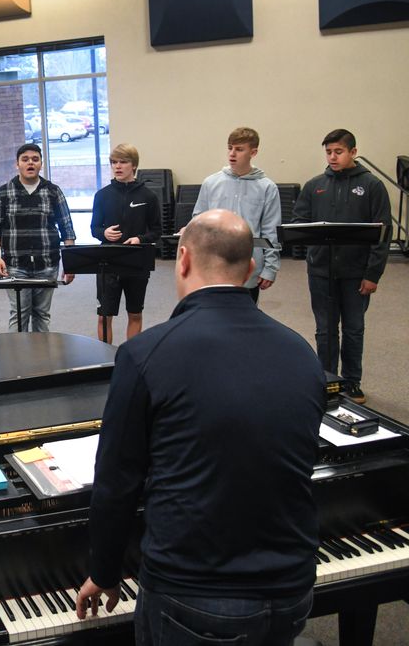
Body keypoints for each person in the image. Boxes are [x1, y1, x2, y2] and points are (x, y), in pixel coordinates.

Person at [75, 210, 325, 644]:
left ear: (184, 260)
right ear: (249, 269)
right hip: (294, 590)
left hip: (192, 594)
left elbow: (117, 483)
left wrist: (105, 572)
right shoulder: (302, 352)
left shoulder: (146, 353)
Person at [292, 129, 391, 405]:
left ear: (353, 152)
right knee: (324, 329)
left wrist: (372, 274)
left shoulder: (372, 186)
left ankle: (351, 381)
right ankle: (326, 380)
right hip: (321, 272)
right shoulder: (314, 186)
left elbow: (383, 233)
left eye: (338, 151)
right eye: (328, 152)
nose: (333, 157)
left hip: (356, 274)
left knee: (353, 329)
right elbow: (299, 223)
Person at [0, 143, 76, 332]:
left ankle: (41, 360)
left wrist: (70, 264)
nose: (30, 163)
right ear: (17, 164)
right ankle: (17, 360)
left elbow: (67, 228)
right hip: (16, 265)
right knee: (19, 314)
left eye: (35, 159)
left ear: (41, 164)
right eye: (25, 159)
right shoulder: (4, 193)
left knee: (42, 315)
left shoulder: (53, 191)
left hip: (47, 263)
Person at [192, 126, 282, 303]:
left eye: (239, 149)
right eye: (230, 148)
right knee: (213, 319)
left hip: (248, 267)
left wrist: (270, 268)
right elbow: (198, 221)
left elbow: (271, 231)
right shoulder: (211, 183)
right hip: (213, 264)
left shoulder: (267, 187)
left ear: (253, 152)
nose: (232, 153)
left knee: (244, 323)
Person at [89, 144, 160, 343]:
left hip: (136, 262)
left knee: (135, 314)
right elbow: (94, 228)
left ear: (134, 165)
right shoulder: (102, 195)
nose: (117, 166)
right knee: (104, 315)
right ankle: (104, 361)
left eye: (123, 162)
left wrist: (140, 239)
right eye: (114, 162)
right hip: (107, 263)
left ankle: (131, 358)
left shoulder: (149, 197)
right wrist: (104, 232)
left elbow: (156, 231)